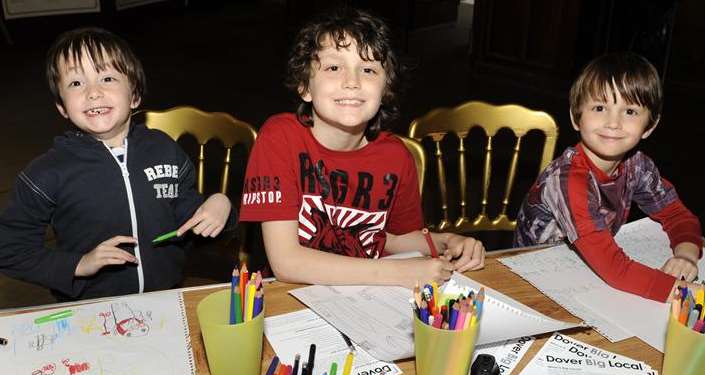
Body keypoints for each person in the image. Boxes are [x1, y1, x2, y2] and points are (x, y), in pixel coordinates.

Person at [239, 8, 485, 288]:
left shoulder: (396, 157)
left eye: (368, 70)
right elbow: (287, 262)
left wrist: (447, 241)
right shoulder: (280, 138)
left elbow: (390, 238)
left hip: (366, 299)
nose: (352, 82)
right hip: (289, 297)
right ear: (304, 86)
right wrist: (400, 274)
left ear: (385, 90)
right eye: (333, 67)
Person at [0, 27, 234, 300]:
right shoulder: (47, 172)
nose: (93, 93)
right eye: (76, 83)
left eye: (107, 78)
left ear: (134, 96)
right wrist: (77, 264)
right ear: (61, 106)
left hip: (164, 298)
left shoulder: (164, 150)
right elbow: (9, 249)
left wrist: (220, 207)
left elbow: (190, 220)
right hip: (89, 311)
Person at [514, 52, 703, 301]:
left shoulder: (637, 165)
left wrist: (686, 256)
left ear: (650, 126)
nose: (613, 122)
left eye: (630, 111)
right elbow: (615, 270)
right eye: (600, 107)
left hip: (585, 275)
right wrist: (688, 294)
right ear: (576, 116)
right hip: (534, 283)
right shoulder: (568, 181)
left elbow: (676, 214)